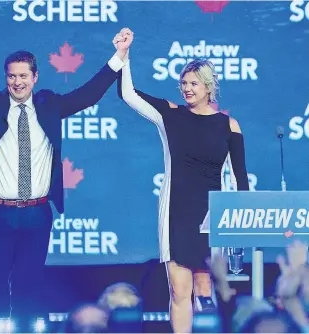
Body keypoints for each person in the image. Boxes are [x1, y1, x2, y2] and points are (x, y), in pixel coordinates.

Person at [0, 7, 130, 330]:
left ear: (35, 77)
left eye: (23, 76)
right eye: (11, 76)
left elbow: (88, 94)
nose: (17, 82)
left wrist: (119, 56)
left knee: (28, 293)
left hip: (37, 214)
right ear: (6, 78)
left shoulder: (49, 106)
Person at [116, 28, 250, 333]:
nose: (187, 89)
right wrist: (123, 55)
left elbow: (241, 180)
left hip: (211, 215)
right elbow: (128, 94)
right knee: (179, 290)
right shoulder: (171, 115)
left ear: (208, 87)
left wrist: (240, 224)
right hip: (176, 213)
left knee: (206, 291)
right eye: (183, 83)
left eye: (193, 83)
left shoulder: (228, 125)